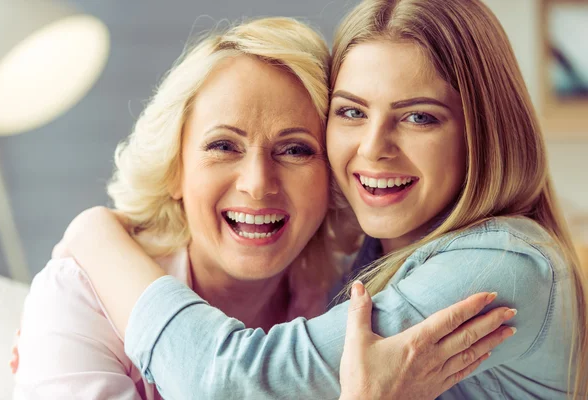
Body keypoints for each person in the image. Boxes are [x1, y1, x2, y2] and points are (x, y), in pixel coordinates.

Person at [39, 0, 588, 398]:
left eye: (419, 116)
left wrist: (93, 233)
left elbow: (228, 383)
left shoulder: (503, 265)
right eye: (352, 111)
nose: (373, 149)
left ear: (481, 132)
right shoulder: (355, 271)